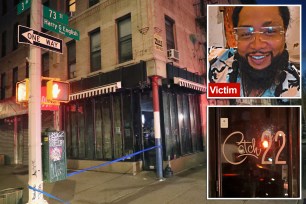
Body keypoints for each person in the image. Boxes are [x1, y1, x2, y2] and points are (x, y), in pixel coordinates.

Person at [208, 6, 300, 97]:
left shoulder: (298, 87)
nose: (257, 46)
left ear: (284, 32)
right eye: (246, 33)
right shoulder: (214, 65)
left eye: (269, 31)